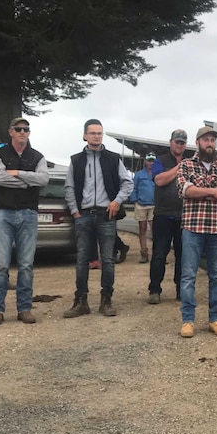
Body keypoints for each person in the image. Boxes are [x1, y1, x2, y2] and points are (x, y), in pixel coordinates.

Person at [62, 119, 133, 319]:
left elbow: (127, 183)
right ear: (85, 135)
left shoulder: (113, 159)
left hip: (106, 216)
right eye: (92, 133)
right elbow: (69, 187)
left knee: (108, 259)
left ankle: (106, 300)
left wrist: (117, 201)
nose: (96, 136)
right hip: (83, 216)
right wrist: (75, 212)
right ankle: (81, 301)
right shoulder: (76, 160)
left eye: (99, 133)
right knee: (82, 259)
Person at [0, 117, 49, 326]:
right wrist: (26, 182)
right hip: (2, 214)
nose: (23, 132)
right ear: (11, 132)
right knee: (1, 265)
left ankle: (24, 308)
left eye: (26, 129)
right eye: (18, 129)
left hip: (28, 214)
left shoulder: (37, 156)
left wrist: (18, 173)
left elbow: (43, 180)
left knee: (26, 265)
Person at [177, 126, 217, 338]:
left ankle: (215, 319)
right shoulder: (186, 164)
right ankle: (187, 320)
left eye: (212, 140)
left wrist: (199, 192)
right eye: (206, 140)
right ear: (198, 142)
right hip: (192, 227)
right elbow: (185, 190)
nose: (209, 143)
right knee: (188, 276)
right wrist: (213, 191)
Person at [148, 129, 187, 305]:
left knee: (183, 255)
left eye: (182, 142)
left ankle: (181, 290)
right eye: (177, 142)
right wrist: (178, 168)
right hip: (163, 215)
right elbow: (159, 180)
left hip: (184, 216)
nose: (179, 145)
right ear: (170, 142)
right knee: (159, 254)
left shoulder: (191, 162)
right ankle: (154, 289)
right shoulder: (160, 160)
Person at [129, 153, 156, 263]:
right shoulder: (139, 175)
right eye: (149, 160)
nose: (151, 163)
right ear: (145, 161)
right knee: (142, 228)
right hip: (141, 204)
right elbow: (133, 188)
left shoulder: (158, 174)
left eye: (152, 161)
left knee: (156, 229)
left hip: (154, 205)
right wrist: (134, 201)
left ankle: (157, 254)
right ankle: (144, 253)